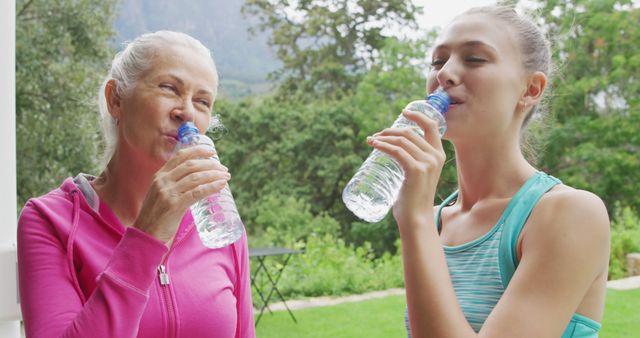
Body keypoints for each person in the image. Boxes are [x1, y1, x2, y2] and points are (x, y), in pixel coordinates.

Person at [366, 5, 610, 338]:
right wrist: (420, 219)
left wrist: (415, 220)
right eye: (438, 61)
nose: (445, 74)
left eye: (475, 59)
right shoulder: (437, 219)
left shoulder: (569, 214)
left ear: (531, 89)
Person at [17, 31, 255, 338]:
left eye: (202, 101)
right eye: (169, 88)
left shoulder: (219, 226)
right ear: (116, 99)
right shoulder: (50, 221)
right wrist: (148, 235)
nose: (187, 112)